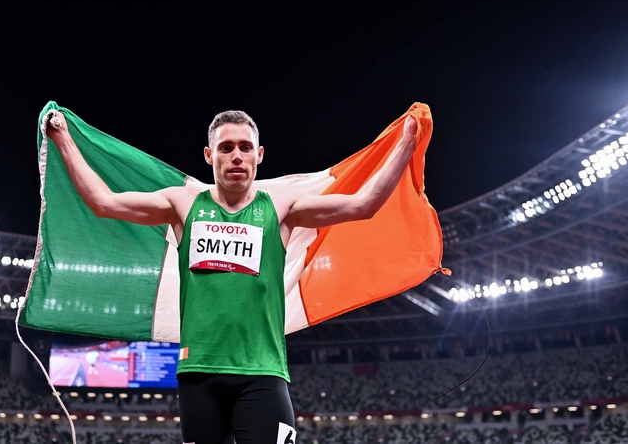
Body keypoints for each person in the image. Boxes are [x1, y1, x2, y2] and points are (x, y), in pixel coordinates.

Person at [46, 110, 418, 444]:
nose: (236, 156)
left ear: (259, 155)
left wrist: (406, 144)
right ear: (210, 156)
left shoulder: (282, 207)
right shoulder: (183, 204)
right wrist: (63, 138)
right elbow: (103, 202)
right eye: (226, 148)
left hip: (263, 373)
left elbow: (363, 204)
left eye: (244, 147)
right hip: (198, 375)